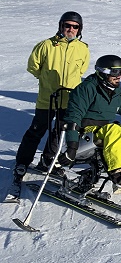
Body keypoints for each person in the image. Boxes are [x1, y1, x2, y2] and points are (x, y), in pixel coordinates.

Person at [13, 12, 90, 186]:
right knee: (36, 130)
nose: (70, 29)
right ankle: (22, 163)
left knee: (59, 133)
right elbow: (33, 66)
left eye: (75, 26)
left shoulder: (83, 48)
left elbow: (81, 70)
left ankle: (48, 161)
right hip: (47, 98)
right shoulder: (46, 45)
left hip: (68, 99)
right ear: (61, 26)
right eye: (67, 25)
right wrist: (46, 80)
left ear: (79, 29)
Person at [59, 55, 121, 194]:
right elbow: (73, 117)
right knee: (113, 130)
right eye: (115, 72)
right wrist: (72, 146)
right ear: (102, 72)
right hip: (85, 133)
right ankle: (118, 174)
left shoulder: (115, 90)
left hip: (103, 130)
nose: (119, 76)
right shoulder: (87, 88)